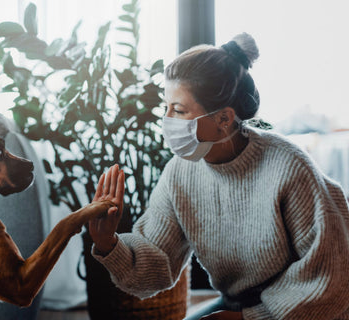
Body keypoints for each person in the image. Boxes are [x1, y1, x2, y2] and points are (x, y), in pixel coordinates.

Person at [88, 33, 349, 320]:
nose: (167, 120)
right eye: (166, 108)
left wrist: (249, 319)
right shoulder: (180, 172)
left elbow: (334, 280)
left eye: (179, 110)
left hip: (312, 311)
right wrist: (108, 243)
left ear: (224, 119)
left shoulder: (289, 167)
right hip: (239, 307)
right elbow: (157, 263)